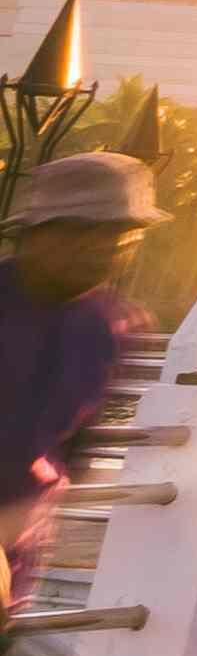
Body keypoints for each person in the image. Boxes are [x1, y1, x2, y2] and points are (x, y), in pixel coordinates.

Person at [0, 154, 154, 606]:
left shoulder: (117, 326)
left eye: (121, 238)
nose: (105, 252)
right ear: (35, 236)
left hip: (19, 553)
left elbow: (76, 447)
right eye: (85, 235)